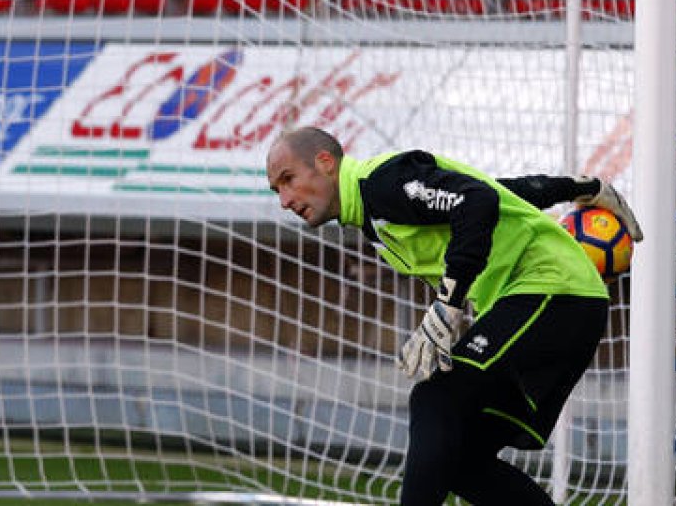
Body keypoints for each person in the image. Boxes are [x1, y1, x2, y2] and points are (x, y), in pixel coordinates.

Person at [264, 126, 643, 506]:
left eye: (288, 179)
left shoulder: (379, 184)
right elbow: (496, 192)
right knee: (459, 456)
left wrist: (449, 302)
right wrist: (579, 187)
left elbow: (477, 201)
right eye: (276, 189)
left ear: (325, 163)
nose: (284, 199)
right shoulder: (370, 210)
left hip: (554, 291)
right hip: (557, 303)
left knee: (434, 400)